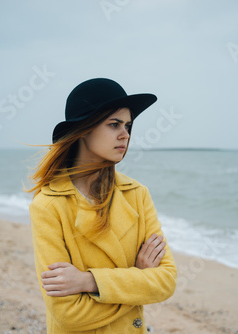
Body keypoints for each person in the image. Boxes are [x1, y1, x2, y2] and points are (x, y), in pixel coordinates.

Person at [27, 78, 177, 333]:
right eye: (114, 124)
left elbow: (166, 281)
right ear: (84, 129)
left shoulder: (138, 195)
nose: (125, 134)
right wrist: (137, 281)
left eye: (128, 125)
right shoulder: (48, 206)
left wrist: (89, 281)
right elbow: (68, 314)